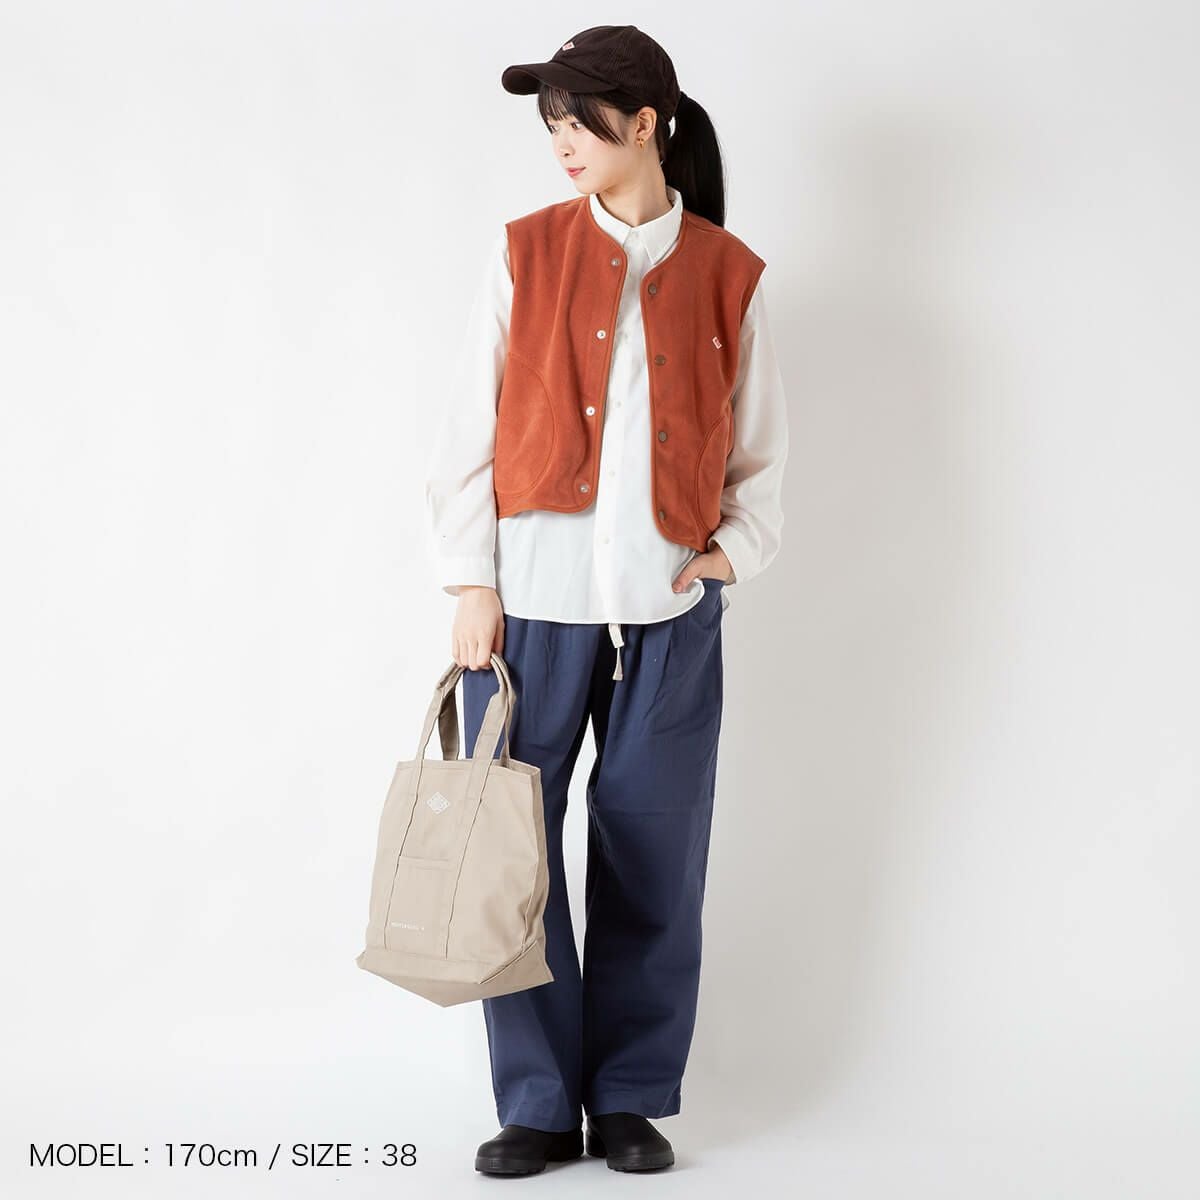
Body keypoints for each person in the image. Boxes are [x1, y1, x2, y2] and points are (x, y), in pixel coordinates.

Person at [424, 24, 789, 1176]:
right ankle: (537, 1103)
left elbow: (761, 454)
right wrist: (471, 582)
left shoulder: (727, 274)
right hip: (527, 615)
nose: (560, 145)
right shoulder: (524, 253)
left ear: (643, 123)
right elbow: (466, 432)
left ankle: (628, 1097)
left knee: (652, 854)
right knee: (512, 856)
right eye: (549, 126)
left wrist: (729, 556)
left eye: (576, 121)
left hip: (667, 620)